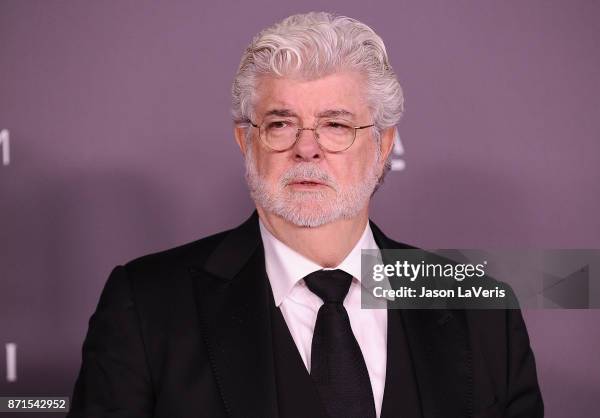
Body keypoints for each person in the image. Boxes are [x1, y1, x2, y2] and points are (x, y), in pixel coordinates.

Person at [68, 12, 543, 418]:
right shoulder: (147, 304)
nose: (307, 148)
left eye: (336, 125)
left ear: (382, 146)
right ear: (246, 142)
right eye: (280, 124)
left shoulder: (480, 309)